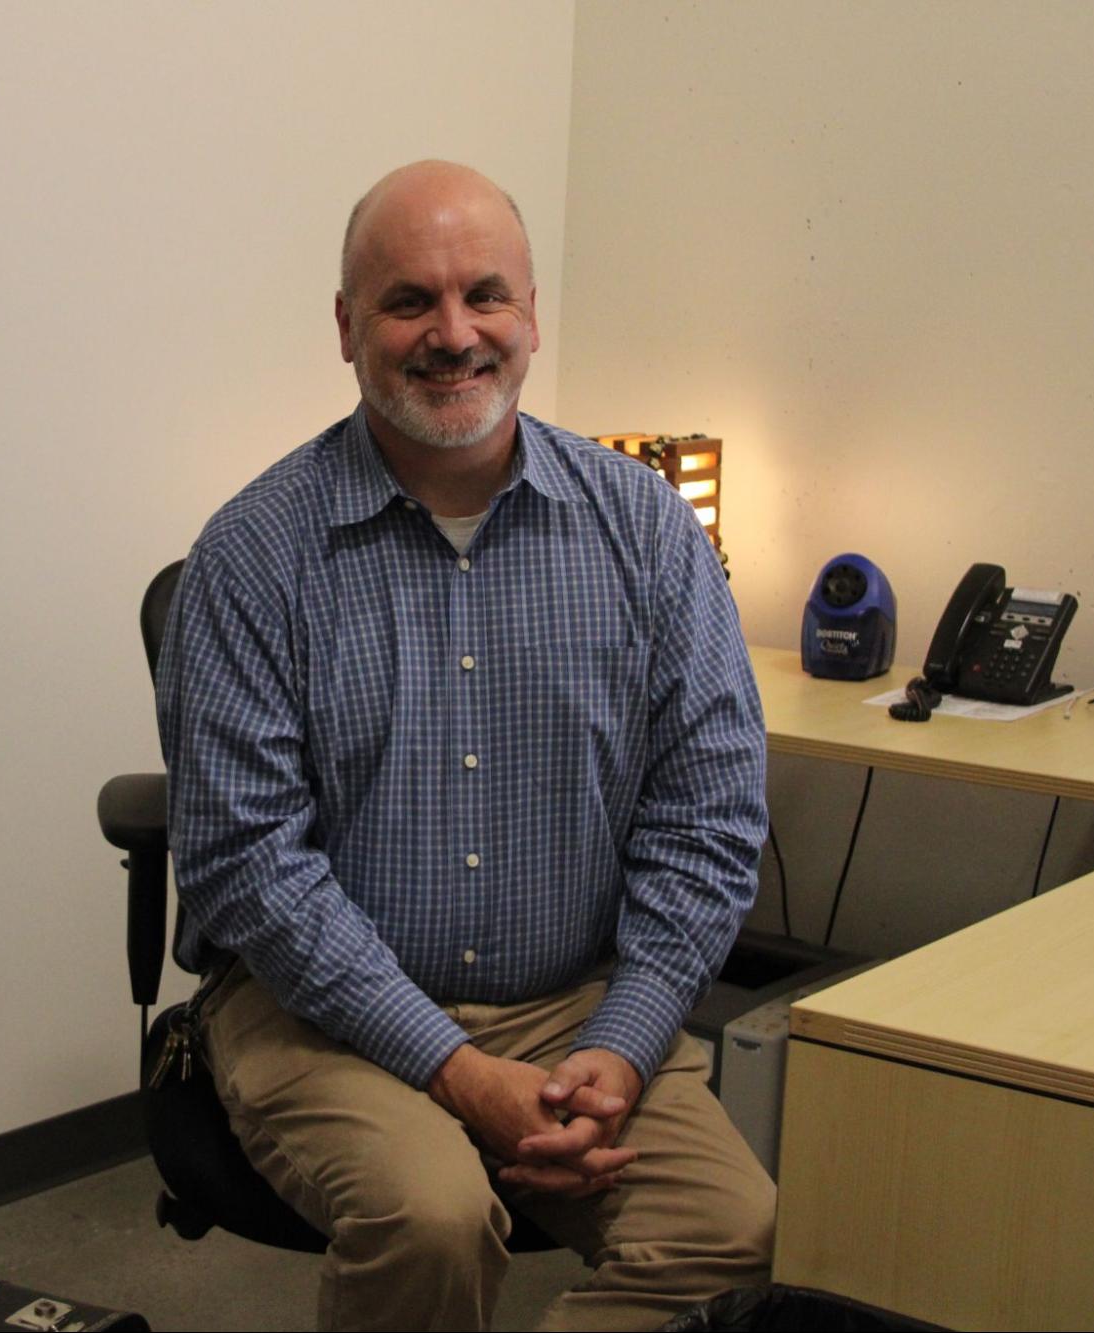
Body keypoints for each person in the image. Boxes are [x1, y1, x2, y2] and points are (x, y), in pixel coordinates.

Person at [156, 160, 774, 1332]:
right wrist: (456, 1071)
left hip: (575, 1004)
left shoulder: (642, 527)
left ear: (531, 314)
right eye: (407, 303)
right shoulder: (252, 555)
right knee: (431, 1216)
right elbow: (251, 866)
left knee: (731, 1238)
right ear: (346, 328)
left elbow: (710, 813)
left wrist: (629, 1040)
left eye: (484, 295)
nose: (452, 334)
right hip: (319, 1009)